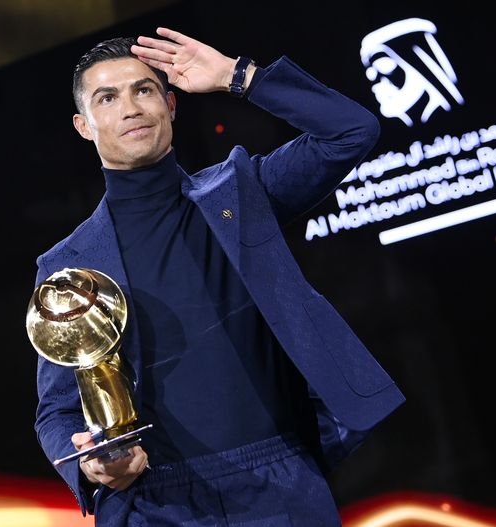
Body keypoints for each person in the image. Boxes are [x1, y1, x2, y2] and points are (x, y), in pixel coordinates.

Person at [33, 27, 405, 526]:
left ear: (170, 103)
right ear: (85, 125)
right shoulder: (67, 264)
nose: (131, 107)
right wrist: (89, 464)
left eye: (143, 89)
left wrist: (239, 76)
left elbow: (351, 131)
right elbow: (56, 411)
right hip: (155, 502)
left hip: (282, 481)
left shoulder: (242, 190)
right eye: (108, 97)